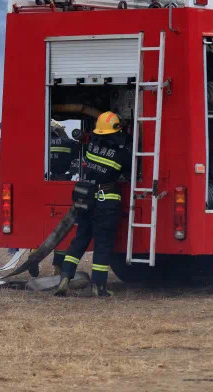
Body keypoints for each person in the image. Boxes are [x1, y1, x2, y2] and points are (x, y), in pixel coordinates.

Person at [53, 111, 131, 298]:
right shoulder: (121, 155)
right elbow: (128, 172)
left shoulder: (90, 149)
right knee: (103, 244)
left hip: (86, 199)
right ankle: (99, 286)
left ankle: (65, 276)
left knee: (80, 239)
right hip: (106, 202)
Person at [48, 120, 81, 274]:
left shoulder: (42, 143)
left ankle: (33, 254)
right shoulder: (69, 142)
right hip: (63, 185)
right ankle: (58, 266)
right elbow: (79, 157)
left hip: (46, 184)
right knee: (62, 226)